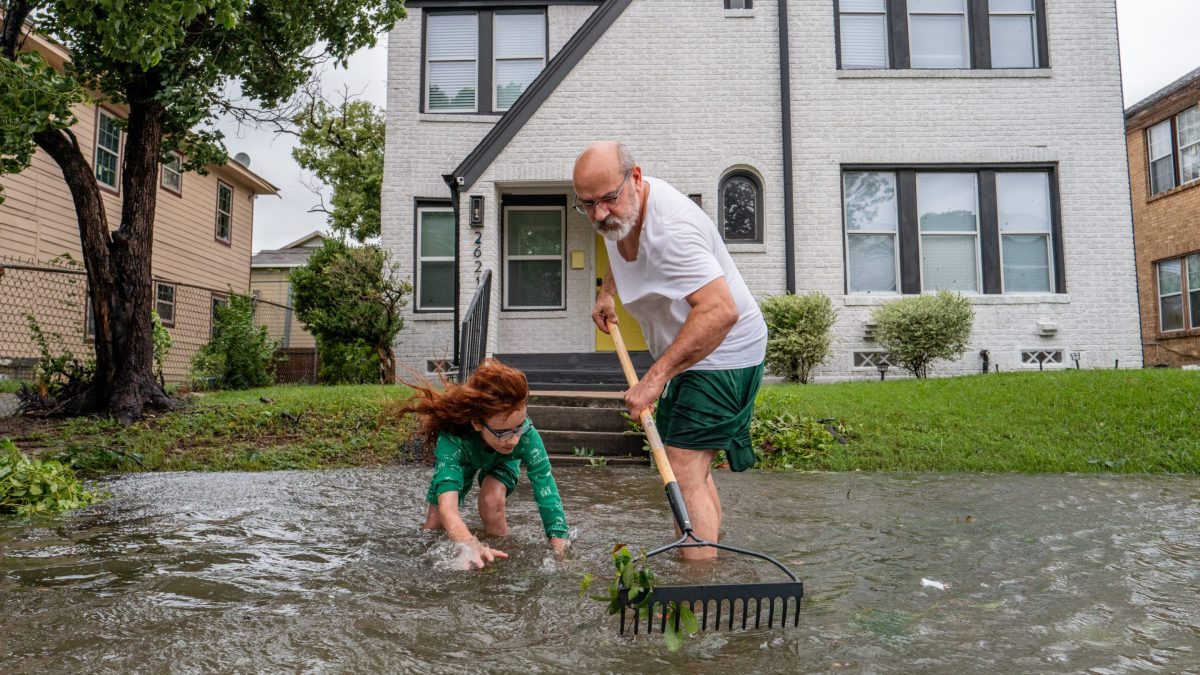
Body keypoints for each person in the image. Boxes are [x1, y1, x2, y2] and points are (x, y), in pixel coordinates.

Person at [573, 141, 768, 561]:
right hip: (688, 353)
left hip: (723, 352)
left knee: (680, 469)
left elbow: (720, 311)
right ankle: (708, 568)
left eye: (608, 199)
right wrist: (608, 293)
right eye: (587, 204)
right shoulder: (618, 215)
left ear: (636, 178)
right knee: (693, 471)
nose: (600, 214)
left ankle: (695, 593)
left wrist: (654, 379)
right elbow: (616, 244)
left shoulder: (673, 229)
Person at [399, 359, 569, 569]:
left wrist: (559, 547)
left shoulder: (526, 436)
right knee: (434, 526)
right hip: (465, 457)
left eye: (519, 426)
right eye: (504, 432)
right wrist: (469, 544)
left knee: (491, 500)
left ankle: (497, 561)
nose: (514, 440)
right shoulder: (453, 437)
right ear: (477, 423)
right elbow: (448, 506)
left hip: (502, 461)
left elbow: (547, 493)